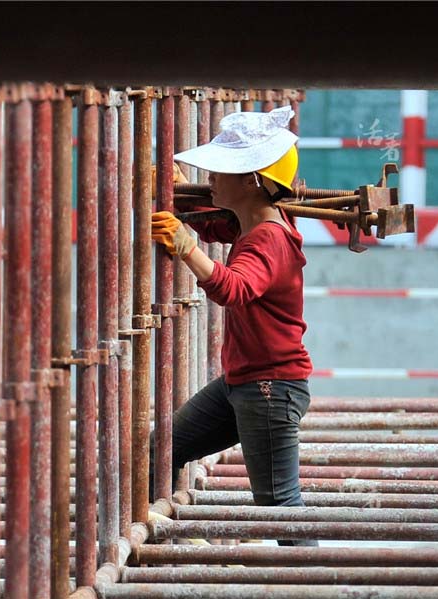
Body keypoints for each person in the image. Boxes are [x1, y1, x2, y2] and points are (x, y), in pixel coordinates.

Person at [149, 105, 318, 547]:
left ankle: (313, 582)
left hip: (269, 387)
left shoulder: (269, 238)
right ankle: (169, 544)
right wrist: (181, 195)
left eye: (221, 171)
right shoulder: (260, 220)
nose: (212, 179)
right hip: (245, 383)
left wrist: (184, 246)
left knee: (281, 509)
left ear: (251, 181)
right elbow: (218, 223)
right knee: (161, 450)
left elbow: (235, 287)